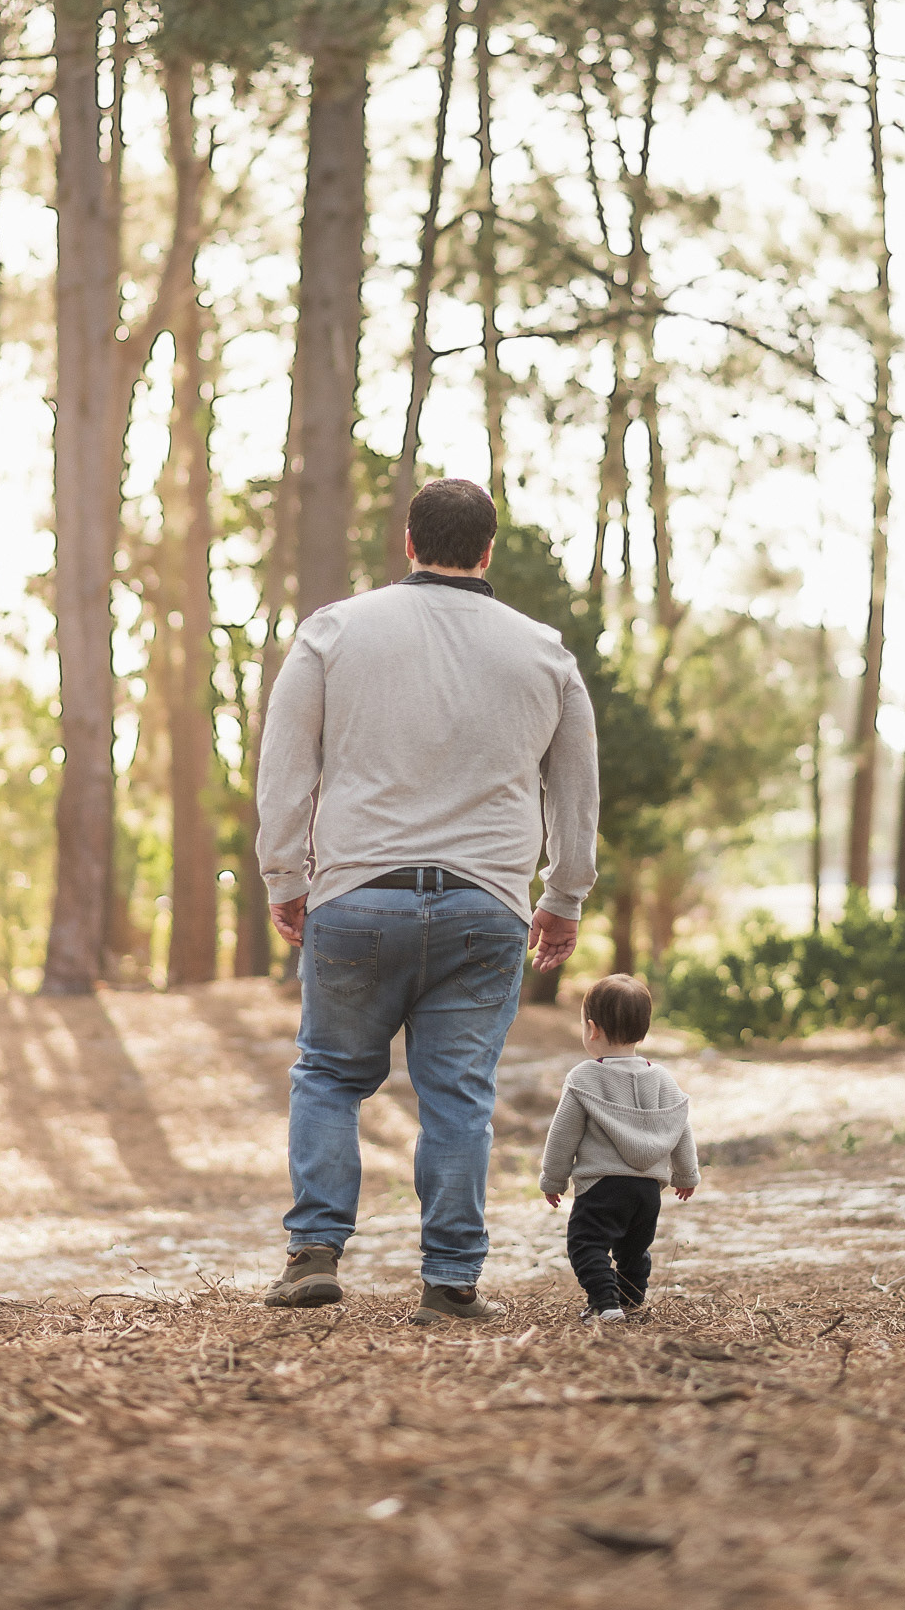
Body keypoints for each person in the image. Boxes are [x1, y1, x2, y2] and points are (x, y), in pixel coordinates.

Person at [255, 477, 600, 1323]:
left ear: (407, 542)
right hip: (486, 906)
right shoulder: (544, 652)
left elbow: (285, 769)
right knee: (457, 1095)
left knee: (331, 1077)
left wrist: (284, 879)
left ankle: (313, 1252)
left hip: (357, 896)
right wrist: (565, 893)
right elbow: (576, 790)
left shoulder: (335, 631)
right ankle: (449, 1281)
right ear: (488, 551)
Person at [540, 973, 699, 1320]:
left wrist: (553, 1180)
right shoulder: (662, 1078)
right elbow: (679, 1124)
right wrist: (686, 1173)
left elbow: (562, 1135)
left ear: (592, 1029)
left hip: (602, 1186)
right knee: (634, 1249)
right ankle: (630, 1301)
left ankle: (606, 1303)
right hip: (647, 1190)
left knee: (586, 1244)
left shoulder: (585, 1077)